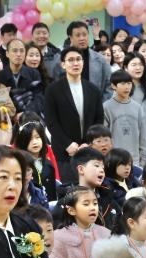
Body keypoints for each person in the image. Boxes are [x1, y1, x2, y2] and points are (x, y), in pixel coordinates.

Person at [44, 47, 104, 184]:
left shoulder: (93, 90)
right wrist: (67, 144)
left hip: (88, 151)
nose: (75, 63)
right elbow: (51, 121)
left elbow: (98, 120)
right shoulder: (53, 90)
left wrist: (88, 143)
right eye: (70, 60)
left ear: (83, 62)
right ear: (63, 64)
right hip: (63, 153)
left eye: (78, 59)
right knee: (68, 193)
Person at [103, 69, 146, 166]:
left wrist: (144, 159)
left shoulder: (137, 107)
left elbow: (143, 136)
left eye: (129, 83)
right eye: (123, 84)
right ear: (113, 85)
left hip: (134, 160)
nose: (127, 87)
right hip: (114, 160)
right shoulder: (106, 107)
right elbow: (104, 137)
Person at [63, 21, 113, 101]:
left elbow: (109, 85)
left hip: (96, 107)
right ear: (70, 38)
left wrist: (101, 106)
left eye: (84, 34)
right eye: (78, 35)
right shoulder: (63, 59)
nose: (82, 38)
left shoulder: (100, 59)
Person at [13, 120, 57, 201]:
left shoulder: (48, 164)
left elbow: (53, 194)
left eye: (37, 137)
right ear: (23, 141)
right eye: (30, 139)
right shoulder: (19, 165)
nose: (35, 142)